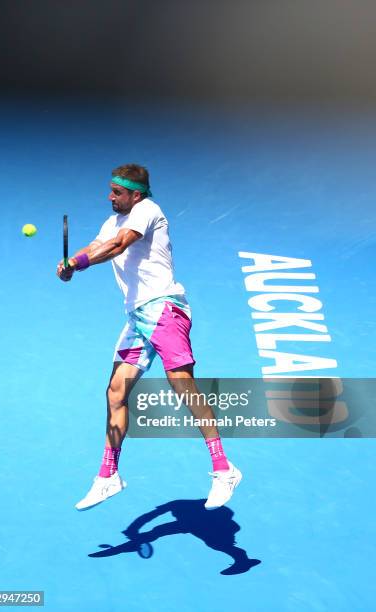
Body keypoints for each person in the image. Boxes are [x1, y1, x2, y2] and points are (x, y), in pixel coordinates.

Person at [57, 163, 241, 511]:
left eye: (117, 192)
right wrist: (72, 265)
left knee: (182, 383)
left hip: (165, 309)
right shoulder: (113, 220)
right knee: (115, 392)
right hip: (138, 318)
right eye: (110, 190)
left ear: (135, 194)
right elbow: (99, 243)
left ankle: (223, 468)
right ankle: (108, 476)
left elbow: (117, 246)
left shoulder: (147, 211)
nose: (110, 197)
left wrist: (80, 265)